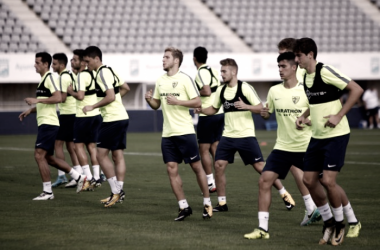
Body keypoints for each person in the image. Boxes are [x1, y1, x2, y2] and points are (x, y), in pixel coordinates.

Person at [197, 58, 294, 213]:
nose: (221, 74)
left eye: (224, 71)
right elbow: (213, 109)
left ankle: (284, 193)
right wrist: (201, 109)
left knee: (260, 167)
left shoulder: (245, 87)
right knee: (219, 165)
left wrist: (246, 106)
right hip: (228, 136)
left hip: (246, 136)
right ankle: (222, 204)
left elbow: (260, 108)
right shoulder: (221, 90)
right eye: (221, 71)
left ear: (233, 72)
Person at [244, 52, 321, 240]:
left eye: (283, 66)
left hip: (305, 147)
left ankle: (339, 218)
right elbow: (267, 113)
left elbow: (318, 115)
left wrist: (307, 120)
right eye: (278, 66)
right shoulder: (274, 91)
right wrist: (263, 113)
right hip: (282, 148)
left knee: (324, 184)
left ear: (294, 67)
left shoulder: (306, 89)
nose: (280, 70)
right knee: (264, 181)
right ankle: (263, 229)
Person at [294, 38, 363, 245]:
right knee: (308, 180)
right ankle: (329, 221)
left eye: (298, 55)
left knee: (328, 181)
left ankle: (341, 224)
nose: (296, 59)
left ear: (310, 55)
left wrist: (339, 115)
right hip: (317, 136)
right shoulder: (305, 76)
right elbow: (316, 102)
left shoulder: (325, 71)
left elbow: (356, 89)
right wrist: (304, 116)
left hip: (336, 136)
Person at [145, 47, 213, 221]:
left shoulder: (185, 79)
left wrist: (178, 101)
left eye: (166, 57)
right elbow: (156, 105)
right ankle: (184, 206)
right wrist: (149, 100)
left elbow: (197, 101)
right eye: (163, 57)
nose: (163, 60)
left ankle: (207, 203)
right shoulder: (160, 80)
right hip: (167, 134)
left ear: (176, 61)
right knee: (171, 169)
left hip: (185, 132)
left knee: (197, 168)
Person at [18, 52, 86, 200]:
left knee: (38, 155)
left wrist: (36, 101)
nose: (35, 65)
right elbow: (45, 101)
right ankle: (78, 176)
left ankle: (48, 192)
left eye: (37, 63)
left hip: (49, 123)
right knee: (48, 157)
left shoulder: (49, 78)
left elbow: (57, 98)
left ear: (45, 64)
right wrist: (30, 110)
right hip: (45, 122)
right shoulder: (43, 80)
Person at [82, 46, 130, 208]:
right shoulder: (110, 70)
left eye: (88, 61)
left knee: (101, 155)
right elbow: (125, 88)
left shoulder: (101, 73)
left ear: (97, 59)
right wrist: (116, 101)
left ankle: (116, 192)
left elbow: (110, 96)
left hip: (113, 120)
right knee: (117, 156)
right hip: (120, 117)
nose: (86, 65)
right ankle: (118, 192)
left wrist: (93, 106)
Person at [67, 49, 103, 190]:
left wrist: (70, 92)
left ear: (83, 62)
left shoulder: (82, 76)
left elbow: (81, 96)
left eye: (75, 60)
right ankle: (97, 177)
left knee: (78, 146)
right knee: (91, 147)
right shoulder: (94, 73)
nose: (72, 62)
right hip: (96, 114)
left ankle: (86, 179)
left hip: (83, 115)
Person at [193, 46, 224, 193]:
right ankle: (218, 179)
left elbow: (206, 91)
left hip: (207, 114)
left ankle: (210, 182)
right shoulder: (214, 70)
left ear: (194, 59)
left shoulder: (200, 72)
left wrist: (192, 92)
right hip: (219, 112)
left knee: (203, 149)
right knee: (214, 147)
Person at [50, 53, 81, 187]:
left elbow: (62, 98)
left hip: (68, 114)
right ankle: (78, 175)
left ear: (62, 65)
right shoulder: (70, 75)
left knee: (57, 144)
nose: (52, 66)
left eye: (54, 63)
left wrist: (46, 100)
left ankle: (62, 175)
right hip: (72, 113)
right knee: (70, 146)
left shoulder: (63, 77)